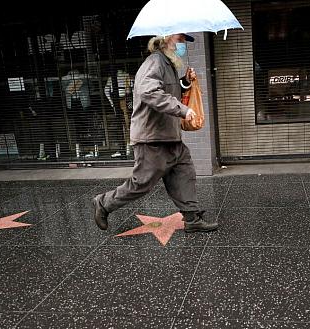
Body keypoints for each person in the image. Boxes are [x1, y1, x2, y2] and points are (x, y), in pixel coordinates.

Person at [92, 33, 218, 233]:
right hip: (152, 138)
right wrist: (183, 110)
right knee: (141, 183)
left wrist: (184, 82)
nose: (182, 44)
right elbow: (149, 92)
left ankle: (192, 219)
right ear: (167, 39)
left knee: (184, 174)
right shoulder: (154, 62)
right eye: (180, 39)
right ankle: (104, 203)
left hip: (170, 136)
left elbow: (168, 91)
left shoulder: (167, 64)